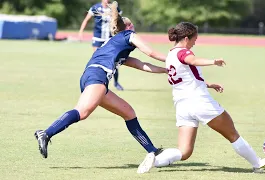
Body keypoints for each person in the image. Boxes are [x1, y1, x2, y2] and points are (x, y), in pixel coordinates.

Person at [137, 22, 265, 174]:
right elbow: (193, 61)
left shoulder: (170, 55)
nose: (196, 42)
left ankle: (155, 159)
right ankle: (257, 163)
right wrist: (213, 62)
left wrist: (208, 84)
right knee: (232, 134)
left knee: (184, 151)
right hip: (199, 101)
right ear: (187, 38)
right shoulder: (184, 52)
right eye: (195, 38)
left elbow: (186, 78)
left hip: (182, 106)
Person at [34, 1, 166, 160]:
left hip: (93, 77)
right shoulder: (128, 35)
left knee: (129, 113)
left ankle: (153, 151)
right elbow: (150, 52)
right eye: (133, 27)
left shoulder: (116, 45)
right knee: (82, 112)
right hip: (98, 75)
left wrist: (166, 70)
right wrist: (172, 59)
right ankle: (46, 133)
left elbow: (141, 65)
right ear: (129, 28)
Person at [79, 0, 124, 90]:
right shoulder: (95, 7)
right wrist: (81, 32)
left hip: (110, 38)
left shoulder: (114, 8)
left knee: (114, 61)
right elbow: (86, 20)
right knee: (97, 60)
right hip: (98, 38)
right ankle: (95, 82)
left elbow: (120, 22)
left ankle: (116, 83)